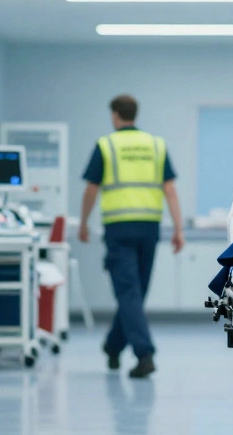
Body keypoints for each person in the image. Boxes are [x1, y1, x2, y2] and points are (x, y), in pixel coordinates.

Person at [79, 95, 184, 378]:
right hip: (149, 228)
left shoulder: (106, 145)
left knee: (129, 294)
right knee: (135, 294)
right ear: (135, 114)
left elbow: (91, 189)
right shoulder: (155, 145)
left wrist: (84, 223)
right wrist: (178, 228)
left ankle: (138, 352)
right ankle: (123, 348)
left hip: (119, 228)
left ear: (115, 115)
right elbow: (170, 190)